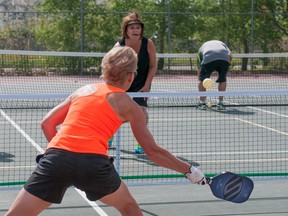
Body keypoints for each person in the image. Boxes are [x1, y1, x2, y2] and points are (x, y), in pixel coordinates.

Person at [5, 46, 206, 216]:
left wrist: (60, 155)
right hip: (94, 165)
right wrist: (190, 171)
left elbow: (46, 124)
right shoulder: (130, 106)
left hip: (56, 160)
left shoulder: (82, 91)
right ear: (131, 76)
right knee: (129, 207)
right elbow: (153, 152)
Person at [114, 11, 157, 153]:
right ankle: (109, 136)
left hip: (141, 84)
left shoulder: (148, 43)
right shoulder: (119, 45)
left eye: (138, 28)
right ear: (126, 30)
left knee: (142, 112)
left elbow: (153, 65)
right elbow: (111, 64)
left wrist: (147, 85)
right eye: (132, 28)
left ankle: (141, 143)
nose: (135, 30)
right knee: (116, 113)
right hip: (123, 83)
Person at [197, 40, 232, 111]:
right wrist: (224, 68)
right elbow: (230, 56)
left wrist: (201, 78)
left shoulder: (202, 48)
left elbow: (200, 67)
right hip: (224, 58)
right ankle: (220, 103)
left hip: (209, 57)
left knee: (202, 79)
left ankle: (202, 103)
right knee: (223, 80)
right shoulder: (223, 44)